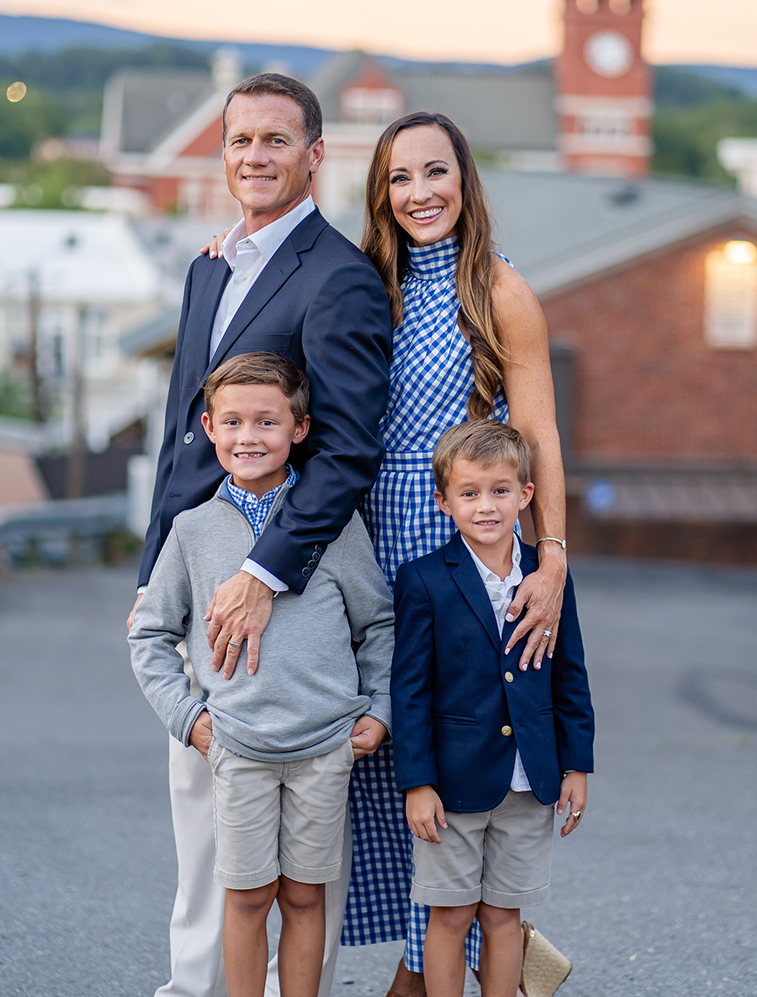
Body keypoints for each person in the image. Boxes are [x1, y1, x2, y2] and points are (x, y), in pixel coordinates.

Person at [202, 111, 571, 996]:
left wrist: (549, 554)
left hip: (458, 538)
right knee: (383, 753)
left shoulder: (500, 287)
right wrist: (236, 257)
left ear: (464, 180)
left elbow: (540, 434)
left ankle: (438, 967)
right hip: (368, 536)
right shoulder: (368, 279)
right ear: (380, 193)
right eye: (400, 179)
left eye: (435, 173)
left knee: (454, 748)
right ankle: (465, 950)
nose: (419, 195)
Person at [128, 73, 393, 997]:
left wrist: (262, 570)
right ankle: (192, 988)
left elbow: (348, 449)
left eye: (276, 141)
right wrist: (152, 570)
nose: (255, 157)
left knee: (299, 861)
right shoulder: (209, 267)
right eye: (241, 141)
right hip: (192, 569)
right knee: (201, 816)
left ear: (314, 154)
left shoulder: (341, 278)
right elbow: (181, 435)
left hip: (283, 585)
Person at [130, 353, 394, 997]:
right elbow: (150, 635)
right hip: (236, 747)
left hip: (324, 748)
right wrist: (190, 720)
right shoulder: (191, 532)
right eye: (234, 422)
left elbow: (379, 624)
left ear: (298, 430)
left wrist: (380, 708)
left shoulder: (329, 524)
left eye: (267, 422)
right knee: (246, 898)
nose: (249, 437)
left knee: (305, 897)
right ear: (210, 428)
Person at [391, 420, 594, 997]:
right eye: (470, 493)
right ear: (444, 500)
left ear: (526, 496)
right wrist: (418, 782)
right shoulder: (423, 580)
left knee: (505, 917)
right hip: (453, 784)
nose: (486, 506)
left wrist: (577, 765)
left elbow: (570, 675)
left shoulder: (549, 579)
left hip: (531, 779)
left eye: (501, 491)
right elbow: (410, 691)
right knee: (450, 916)